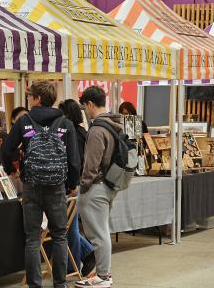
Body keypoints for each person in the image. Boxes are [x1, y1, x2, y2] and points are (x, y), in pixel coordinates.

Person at [2, 82, 81, 288]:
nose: (28, 100)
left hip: (32, 185)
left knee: (32, 239)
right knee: (60, 236)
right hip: (57, 186)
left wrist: (13, 169)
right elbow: (74, 160)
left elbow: (7, 148)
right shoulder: (65, 123)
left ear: (37, 98)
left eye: (30, 97)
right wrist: (72, 183)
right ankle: (60, 284)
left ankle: (34, 285)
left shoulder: (24, 121)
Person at [75, 86, 121, 288]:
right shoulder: (114, 124)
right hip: (110, 184)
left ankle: (103, 275)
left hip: (96, 186)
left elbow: (91, 164)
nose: (85, 111)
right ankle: (103, 274)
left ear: (90, 104)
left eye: (85, 107)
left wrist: (83, 186)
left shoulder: (96, 129)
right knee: (102, 231)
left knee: (97, 234)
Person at [58, 99, 96, 276]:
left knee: (69, 226)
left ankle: (73, 265)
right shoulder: (82, 131)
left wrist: (72, 182)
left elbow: (74, 161)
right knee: (69, 225)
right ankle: (87, 253)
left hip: (72, 183)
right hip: (79, 182)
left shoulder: (71, 131)